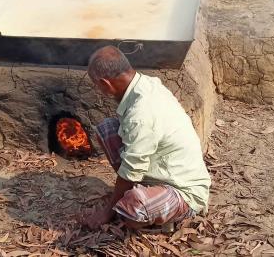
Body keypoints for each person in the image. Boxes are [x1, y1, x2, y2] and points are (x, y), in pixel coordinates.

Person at [80, 46, 211, 230]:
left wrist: (107, 212)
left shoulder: (140, 114)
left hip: (183, 189)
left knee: (132, 210)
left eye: (98, 86)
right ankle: (139, 191)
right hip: (161, 167)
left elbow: (131, 168)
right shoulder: (145, 83)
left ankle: (173, 211)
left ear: (105, 84)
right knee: (106, 130)